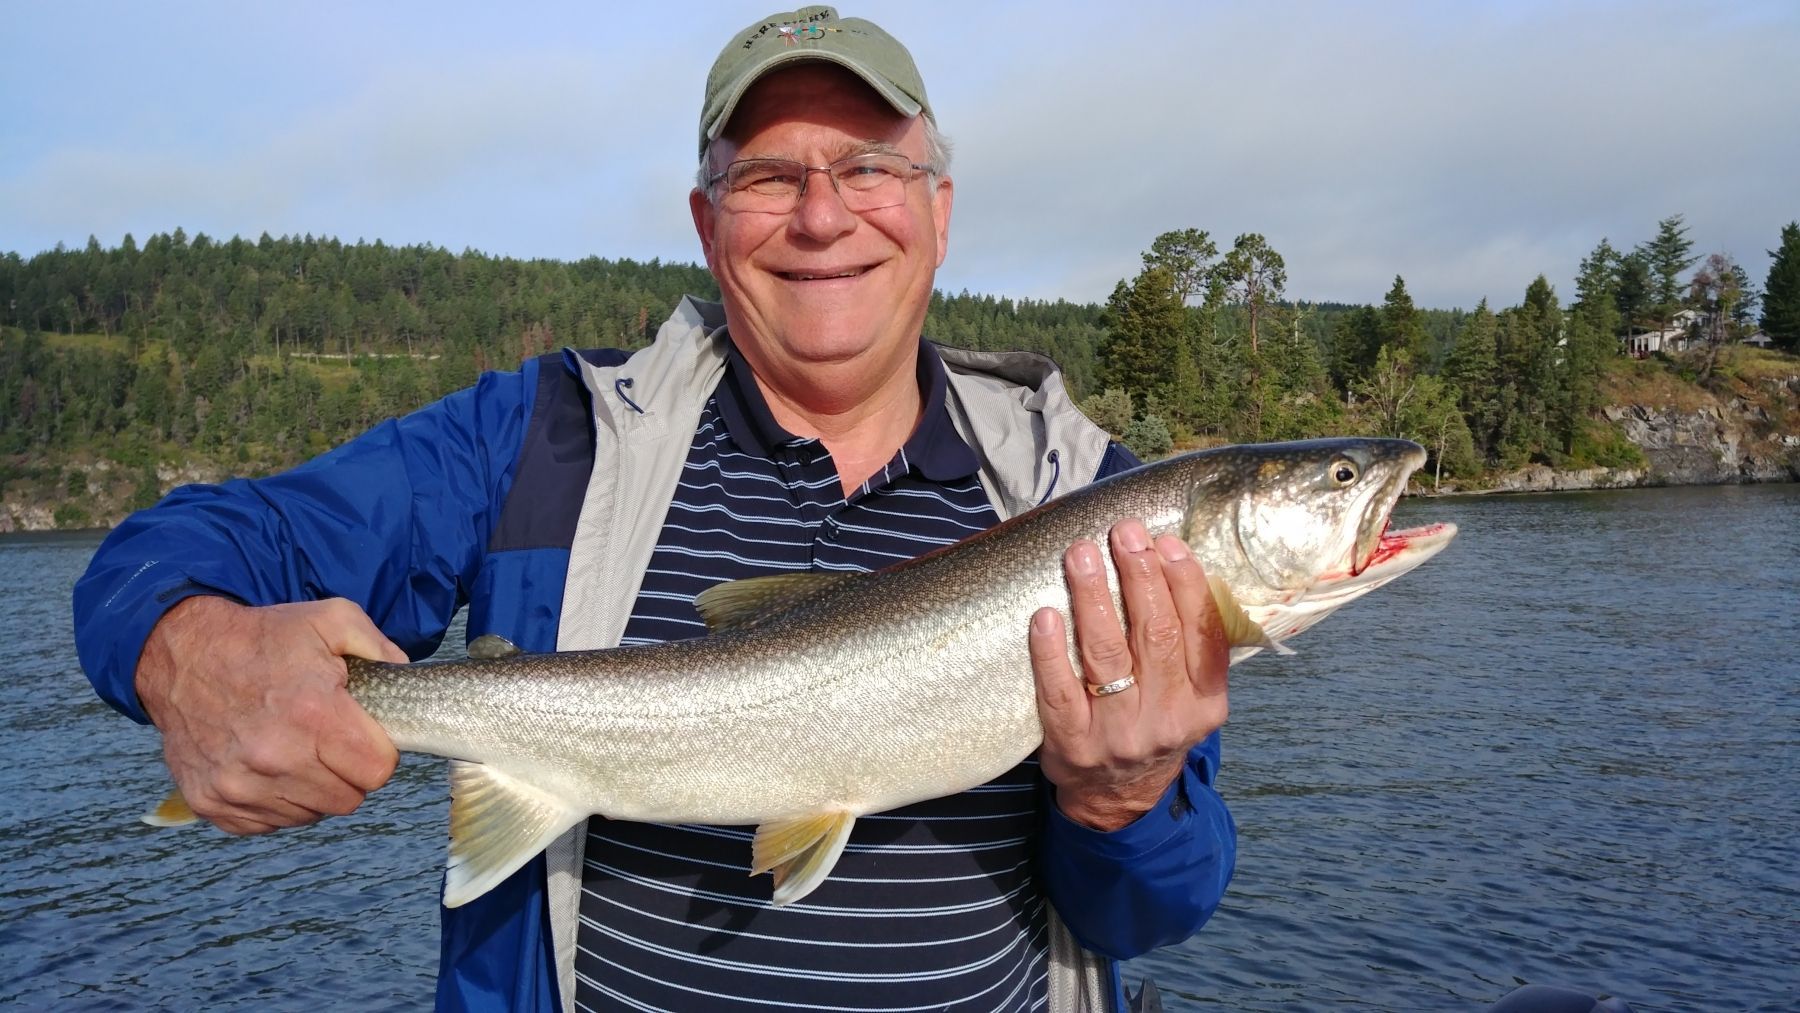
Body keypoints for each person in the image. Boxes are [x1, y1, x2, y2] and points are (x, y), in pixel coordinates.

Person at [73, 7, 1236, 1011]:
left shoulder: (1094, 507)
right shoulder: (539, 437)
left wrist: (1121, 801)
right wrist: (189, 647)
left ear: (939, 212)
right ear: (705, 222)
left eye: (871, 166)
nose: (823, 216)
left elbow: (1151, 912)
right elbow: (175, 552)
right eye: (769, 177)